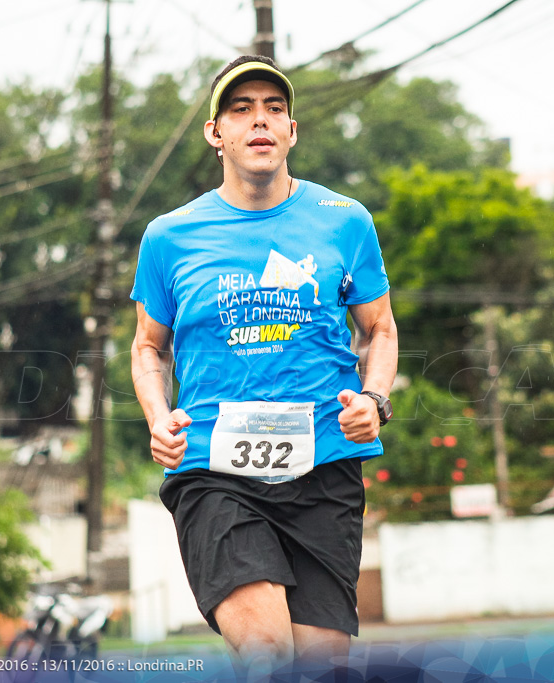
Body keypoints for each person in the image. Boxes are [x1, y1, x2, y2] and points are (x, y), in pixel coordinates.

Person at [130, 55, 398, 679]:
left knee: (322, 665)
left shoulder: (344, 221)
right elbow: (148, 346)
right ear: (215, 132)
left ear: (292, 132)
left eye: (274, 109)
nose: (260, 121)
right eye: (241, 109)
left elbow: (379, 328)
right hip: (214, 469)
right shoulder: (170, 236)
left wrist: (374, 398)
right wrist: (157, 415)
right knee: (268, 654)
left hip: (324, 466)